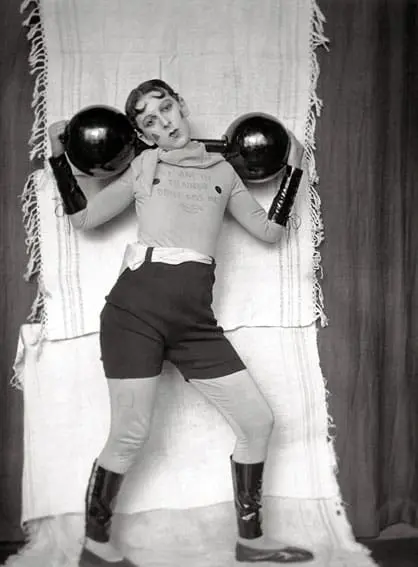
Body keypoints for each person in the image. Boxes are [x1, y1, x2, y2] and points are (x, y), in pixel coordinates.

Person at [48, 79, 313, 567]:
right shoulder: (144, 165)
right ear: (143, 134)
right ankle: (96, 547)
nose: (164, 122)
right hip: (134, 315)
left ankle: (251, 541)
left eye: (166, 108)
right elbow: (84, 219)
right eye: (150, 120)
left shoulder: (224, 171)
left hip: (195, 325)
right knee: (130, 433)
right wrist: (58, 157)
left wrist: (293, 171)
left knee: (257, 421)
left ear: (181, 105)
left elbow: (270, 231)